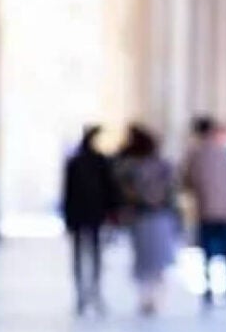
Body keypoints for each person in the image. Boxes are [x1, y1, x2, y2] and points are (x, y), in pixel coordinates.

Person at [182, 116, 226, 306]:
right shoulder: (225, 151)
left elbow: (187, 180)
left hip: (206, 210)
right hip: (225, 210)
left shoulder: (195, 153)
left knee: (208, 250)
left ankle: (210, 287)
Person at [116, 125, 178, 316]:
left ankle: (149, 298)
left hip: (149, 216)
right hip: (150, 216)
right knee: (153, 260)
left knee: (148, 260)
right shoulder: (141, 166)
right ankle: (150, 298)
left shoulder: (135, 166)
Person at [62, 125, 118, 316]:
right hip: (91, 215)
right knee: (91, 255)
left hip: (86, 215)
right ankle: (88, 293)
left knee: (84, 255)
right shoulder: (94, 162)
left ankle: (87, 293)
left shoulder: (81, 162)